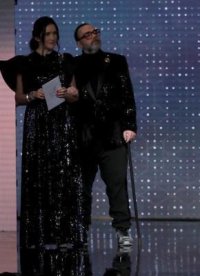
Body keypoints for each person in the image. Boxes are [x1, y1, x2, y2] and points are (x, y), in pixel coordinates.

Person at [1, 16, 87, 249]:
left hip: (62, 123)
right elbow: (19, 98)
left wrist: (67, 92)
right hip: (37, 123)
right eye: (48, 34)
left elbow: (75, 94)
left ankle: (65, 235)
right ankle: (38, 236)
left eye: (55, 34)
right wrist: (33, 95)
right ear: (38, 36)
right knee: (38, 176)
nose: (52, 38)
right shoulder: (24, 63)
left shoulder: (65, 61)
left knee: (63, 174)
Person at [73, 23, 137, 247]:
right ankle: (81, 230)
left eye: (95, 32)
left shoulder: (116, 61)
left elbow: (127, 95)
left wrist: (130, 125)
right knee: (82, 187)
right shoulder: (73, 65)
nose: (93, 37)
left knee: (117, 184)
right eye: (87, 35)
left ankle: (122, 229)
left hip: (112, 134)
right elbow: (63, 98)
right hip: (84, 136)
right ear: (79, 42)